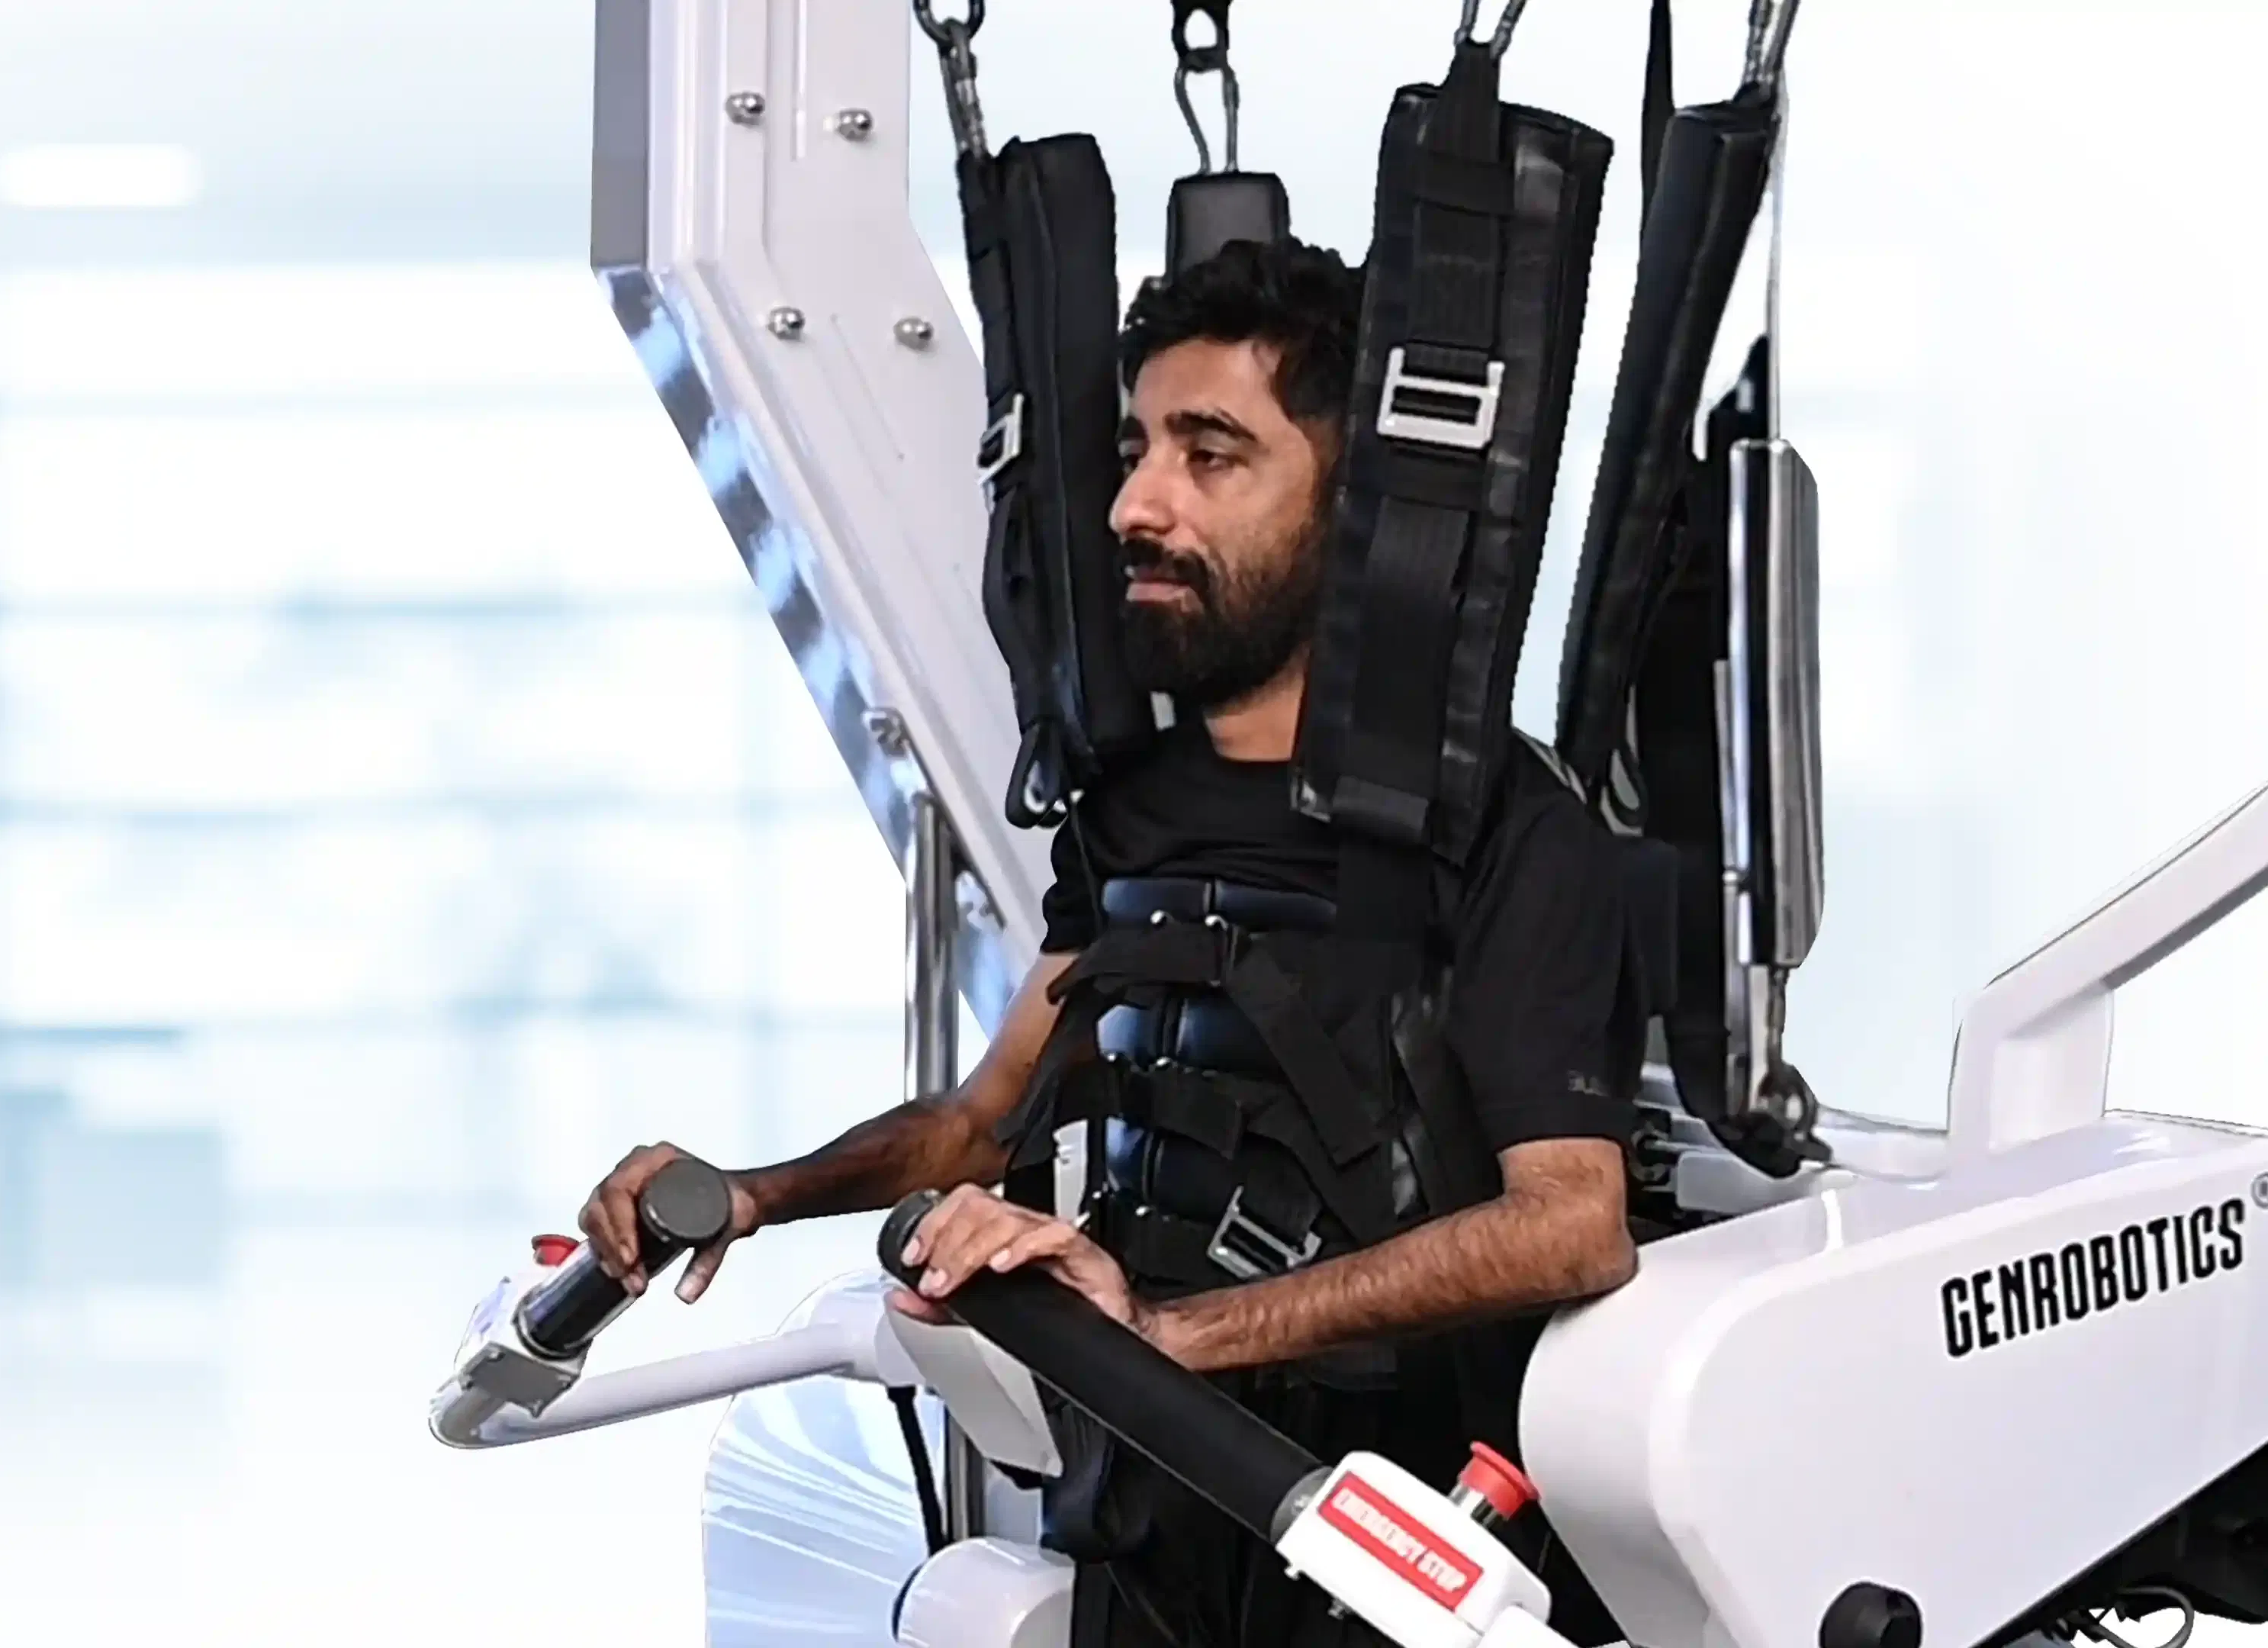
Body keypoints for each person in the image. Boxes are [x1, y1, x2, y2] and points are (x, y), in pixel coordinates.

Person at [576, 236, 1639, 1647]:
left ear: (1354, 506)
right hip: (1140, 1531)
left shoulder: (1507, 828)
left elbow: (1570, 1226)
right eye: (1138, 449)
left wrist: (1174, 1342)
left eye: (1213, 456)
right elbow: (982, 1118)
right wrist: (760, 1191)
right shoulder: (1133, 810)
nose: (1137, 503)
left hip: (1383, 1553)